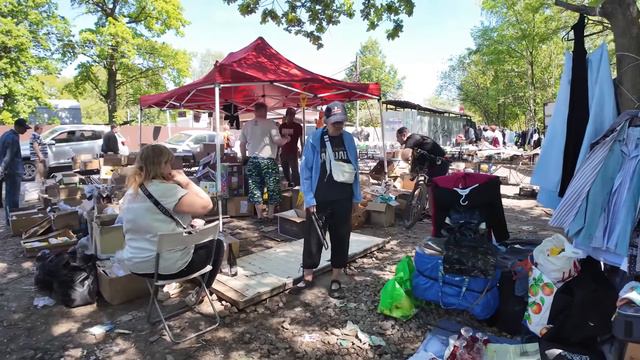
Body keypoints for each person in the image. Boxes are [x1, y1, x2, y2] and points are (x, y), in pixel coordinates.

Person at [119, 144, 223, 305]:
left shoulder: (130, 193)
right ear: (160, 166)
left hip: (136, 264)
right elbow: (207, 205)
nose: (171, 167)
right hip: (169, 267)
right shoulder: (166, 191)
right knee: (217, 244)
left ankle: (162, 289)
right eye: (168, 163)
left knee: (163, 241)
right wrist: (186, 182)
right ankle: (202, 292)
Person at [292, 101, 361, 299]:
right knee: (313, 238)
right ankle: (307, 276)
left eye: (341, 122)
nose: (338, 126)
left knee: (341, 236)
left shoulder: (348, 139)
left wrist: (356, 197)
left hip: (343, 197)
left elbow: (354, 169)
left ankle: (336, 277)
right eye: (334, 122)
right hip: (319, 198)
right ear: (326, 121)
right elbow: (305, 171)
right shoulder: (314, 139)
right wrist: (309, 198)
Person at [240, 102, 290, 221]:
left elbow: (242, 144)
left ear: (255, 111)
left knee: (255, 186)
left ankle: (260, 215)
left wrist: (244, 157)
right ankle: (270, 214)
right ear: (264, 111)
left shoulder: (247, 125)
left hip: (253, 159)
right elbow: (278, 141)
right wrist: (286, 139)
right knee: (272, 186)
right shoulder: (270, 124)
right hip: (268, 160)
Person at [0, 118, 31, 222]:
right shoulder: (13, 138)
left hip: (9, 170)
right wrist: (2, 168)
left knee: (9, 196)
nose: (25, 131)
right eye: (24, 128)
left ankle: (10, 219)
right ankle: (14, 220)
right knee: (13, 198)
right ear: (18, 126)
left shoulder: (5, 135)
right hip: (13, 171)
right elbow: (8, 157)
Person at [279, 107, 303, 187]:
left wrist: (303, 151)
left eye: (293, 115)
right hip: (284, 152)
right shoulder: (282, 126)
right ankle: (288, 188)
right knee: (285, 172)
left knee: (295, 171)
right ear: (286, 116)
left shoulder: (298, 126)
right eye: (290, 115)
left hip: (293, 152)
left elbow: (301, 140)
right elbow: (279, 141)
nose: (291, 117)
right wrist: (276, 153)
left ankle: (298, 188)